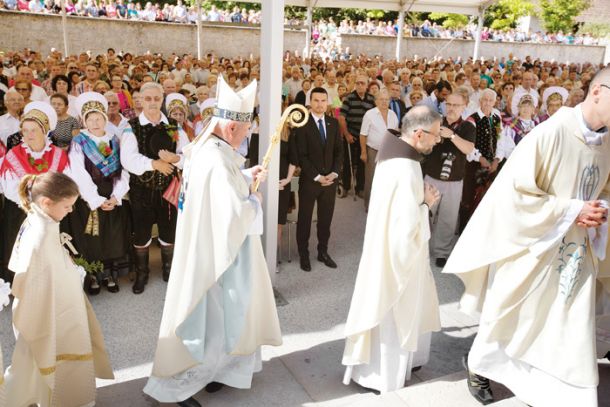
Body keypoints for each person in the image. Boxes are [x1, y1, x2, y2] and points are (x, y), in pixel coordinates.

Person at [444, 67, 610, 407]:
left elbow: (604, 189)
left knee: (567, 322)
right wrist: (571, 210)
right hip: (533, 246)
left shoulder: (607, 143)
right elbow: (513, 194)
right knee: (513, 314)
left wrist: (600, 209)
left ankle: (561, 393)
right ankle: (479, 366)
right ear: (598, 92)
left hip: (577, 250)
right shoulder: (549, 133)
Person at [144, 76, 281, 407]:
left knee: (221, 317)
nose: (246, 135)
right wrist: (255, 202)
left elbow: (220, 189)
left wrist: (246, 177)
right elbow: (232, 212)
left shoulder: (207, 147)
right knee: (210, 318)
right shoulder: (216, 158)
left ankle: (221, 371)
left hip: (210, 245)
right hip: (217, 253)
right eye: (246, 130)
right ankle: (178, 388)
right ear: (231, 127)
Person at [342, 106, 442, 392]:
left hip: (381, 250)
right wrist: (427, 204)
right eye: (435, 135)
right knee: (394, 310)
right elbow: (405, 228)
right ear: (418, 133)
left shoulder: (395, 156)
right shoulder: (404, 167)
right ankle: (382, 375)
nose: (437, 140)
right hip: (396, 258)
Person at [4, 172, 114, 406]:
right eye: (67, 206)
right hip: (53, 312)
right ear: (47, 202)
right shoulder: (41, 234)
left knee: (32, 362)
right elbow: (39, 280)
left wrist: (69, 270)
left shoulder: (39, 218)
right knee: (60, 354)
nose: (71, 211)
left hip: (58, 300)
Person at [120, 82, 188, 294]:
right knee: (141, 234)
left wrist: (176, 159)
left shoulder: (174, 127)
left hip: (168, 190)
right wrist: (154, 164)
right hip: (142, 190)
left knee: (169, 231)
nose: (152, 103)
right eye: (147, 99)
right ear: (140, 99)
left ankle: (169, 270)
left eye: (156, 99)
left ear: (162, 100)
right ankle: (142, 274)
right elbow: (128, 159)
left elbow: (188, 156)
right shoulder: (131, 126)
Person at [64, 92, 130, 295]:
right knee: (91, 237)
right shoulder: (79, 142)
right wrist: (95, 199)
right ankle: (92, 274)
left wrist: (116, 196)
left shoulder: (115, 140)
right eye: (90, 119)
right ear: (83, 121)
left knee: (110, 235)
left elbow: (124, 170)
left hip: (110, 195)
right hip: (89, 198)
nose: (94, 122)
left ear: (104, 118)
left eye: (98, 118)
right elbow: (78, 172)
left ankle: (109, 274)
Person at [0, 102, 69, 282]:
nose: (29, 135)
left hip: (50, 210)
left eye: (34, 130)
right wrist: (33, 204)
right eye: (25, 130)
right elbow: (9, 187)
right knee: (22, 249)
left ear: (44, 131)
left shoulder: (58, 154)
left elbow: (65, 182)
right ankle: (21, 284)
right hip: (20, 210)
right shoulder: (13, 154)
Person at [423, 92, 476, 268]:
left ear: (463, 107)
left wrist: (452, 136)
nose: (451, 108)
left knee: (448, 218)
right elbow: (423, 148)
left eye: (455, 105)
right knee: (425, 215)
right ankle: (420, 247)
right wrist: (434, 139)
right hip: (432, 177)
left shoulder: (468, 126)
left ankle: (441, 252)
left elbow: (468, 149)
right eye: (449, 104)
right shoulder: (435, 121)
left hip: (454, 180)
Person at [295, 87, 343, 272]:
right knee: (305, 218)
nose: (320, 104)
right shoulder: (303, 124)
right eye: (316, 100)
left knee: (325, 219)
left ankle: (323, 251)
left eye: (323, 101)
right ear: (310, 102)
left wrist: (334, 173)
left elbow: (338, 152)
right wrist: (317, 176)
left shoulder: (333, 123)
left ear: (327, 102)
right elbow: (302, 155)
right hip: (310, 181)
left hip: (330, 182)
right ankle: (303, 254)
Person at [460, 89, 503, 231]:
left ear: (495, 102)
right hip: (473, 166)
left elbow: (500, 141)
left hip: (491, 166)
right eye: (485, 100)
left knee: (487, 200)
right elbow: (467, 145)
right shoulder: (472, 119)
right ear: (480, 101)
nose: (488, 103)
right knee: (469, 199)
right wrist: (480, 158)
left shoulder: (496, 118)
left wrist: (497, 159)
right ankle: (463, 231)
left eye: (491, 101)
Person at [359, 89, 399, 211]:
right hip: (373, 151)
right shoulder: (369, 114)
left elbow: (396, 133)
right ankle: (369, 205)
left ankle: (383, 204)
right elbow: (363, 134)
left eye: (386, 99)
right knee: (371, 179)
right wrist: (364, 152)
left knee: (386, 179)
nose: (384, 102)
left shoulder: (393, 114)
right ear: (376, 101)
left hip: (389, 152)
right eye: (381, 99)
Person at [339, 74, 374, 199]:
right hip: (351, 134)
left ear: (366, 86)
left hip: (364, 137)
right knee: (348, 162)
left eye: (362, 83)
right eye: (358, 83)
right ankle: (346, 187)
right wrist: (347, 134)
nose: (360, 85)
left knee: (362, 162)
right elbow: (342, 118)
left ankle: (360, 188)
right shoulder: (349, 98)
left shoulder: (371, 99)